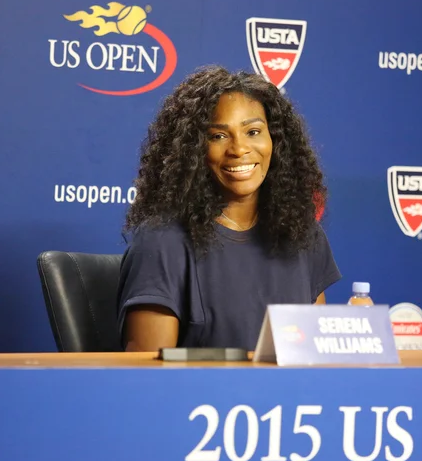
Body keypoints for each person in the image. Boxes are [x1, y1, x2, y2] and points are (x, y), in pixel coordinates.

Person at [116, 65, 341, 352]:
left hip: (286, 397)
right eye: (218, 136)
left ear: (276, 142)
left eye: (253, 131)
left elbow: (315, 358)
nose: (239, 148)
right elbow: (147, 380)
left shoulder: (303, 235)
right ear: (193, 149)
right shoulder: (163, 242)